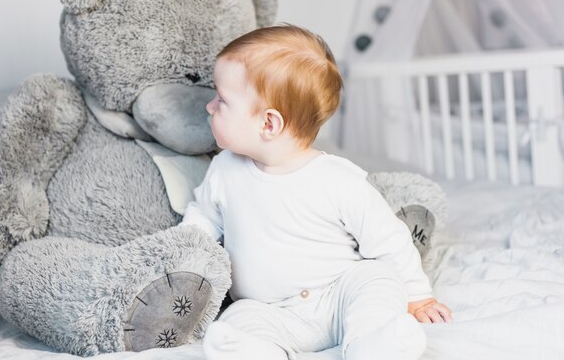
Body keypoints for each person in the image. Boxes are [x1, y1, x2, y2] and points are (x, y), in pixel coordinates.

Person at [179, 24, 451, 360]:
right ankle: (258, 351)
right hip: (269, 309)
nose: (209, 106)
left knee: (375, 279)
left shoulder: (338, 180)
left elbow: (389, 240)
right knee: (238, 318)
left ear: (268, 124)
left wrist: (417, 295)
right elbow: (202, 220)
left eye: (222, 99)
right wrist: (182, 259)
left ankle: (373, 343)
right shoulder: (224, 170)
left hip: (337, 297)